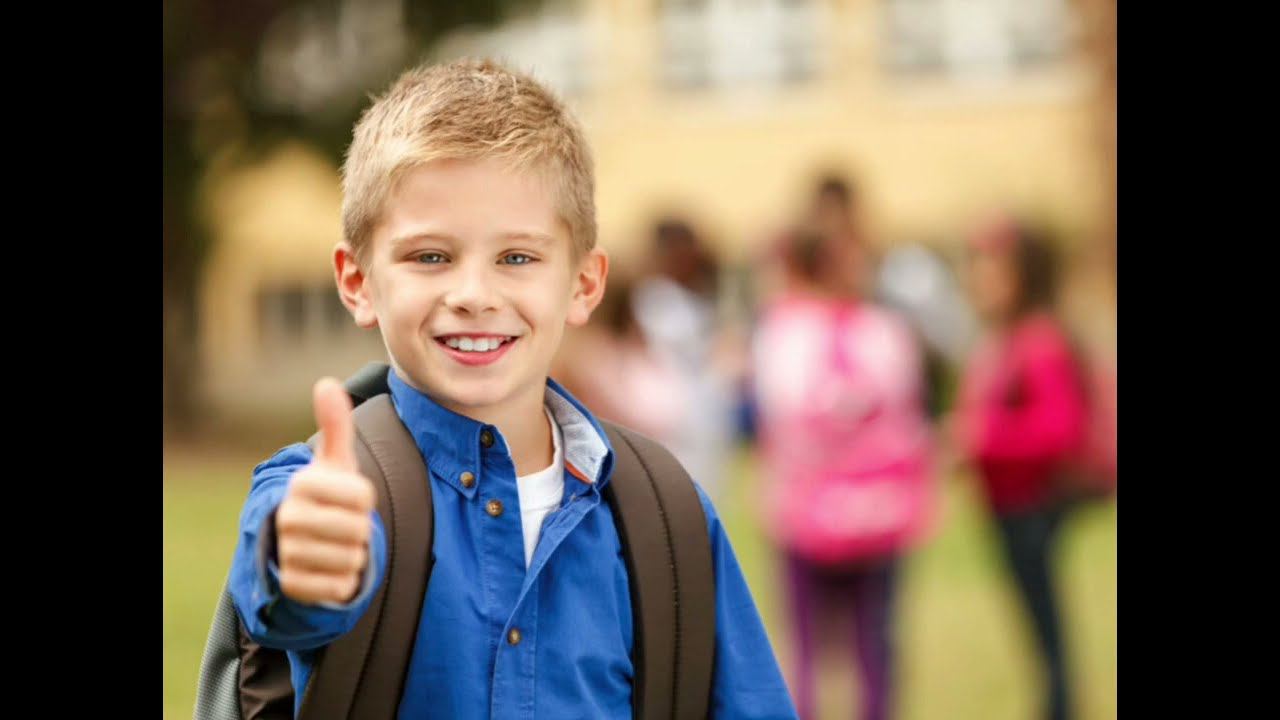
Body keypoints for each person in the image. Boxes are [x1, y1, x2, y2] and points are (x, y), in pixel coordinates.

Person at [224, 58, 797, 719]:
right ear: (357, 282)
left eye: (517, 258)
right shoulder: (317, 492)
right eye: (430, 257)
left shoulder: (666, 514)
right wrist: (308, 563)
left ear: (584, 284)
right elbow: (288, 587)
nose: (474, 295)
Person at [753, 213, 935, 720]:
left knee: (831, 644)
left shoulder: (788, 334)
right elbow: (907, 414)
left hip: (822, 509)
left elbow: (777, 416)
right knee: (855, 642)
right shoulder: (878, 332)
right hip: (858, 508)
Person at [952, 213, 1088, 720]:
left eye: (994, 270)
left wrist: (983, 441)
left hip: (1032, 506)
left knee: (1046, 631)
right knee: (1034, 629)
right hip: (1006, 506)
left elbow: (1059, 431)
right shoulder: (1003, 339)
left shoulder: (1039, 342)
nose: (981, 281)